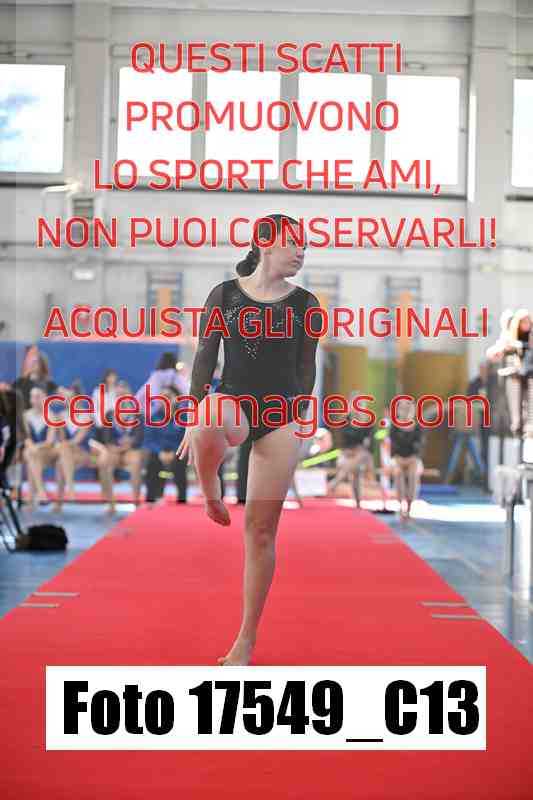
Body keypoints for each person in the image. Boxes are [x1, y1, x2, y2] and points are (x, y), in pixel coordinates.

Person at [176, 213, 321, 666]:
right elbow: (204, 358)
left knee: (260, 532)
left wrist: (299, 416)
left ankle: (246, 639)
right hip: (235, 401)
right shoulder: (225, 295)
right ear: (265, 243)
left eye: (305, 246)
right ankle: (210, 490)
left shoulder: (306, 304)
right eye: (294, 243)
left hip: (280, 414)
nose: (301, 252)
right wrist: (192, 413)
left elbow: (306, 368)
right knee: (205, 419)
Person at [143, 385, 188, 504]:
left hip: (177, 451)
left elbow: (186, 438)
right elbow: (149, 440)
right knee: (152, 463)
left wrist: (174, 452)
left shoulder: (183, 416)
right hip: (158, 451)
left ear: (176, 398)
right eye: (162, 397)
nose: (165, 399)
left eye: (168, 396)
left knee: (181, 461)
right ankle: (150, 499)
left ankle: (182, 499)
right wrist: (160, 452)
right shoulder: (153, 417)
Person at [389, 397, 425, 521]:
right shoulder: (394, 426)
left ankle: (409, 506)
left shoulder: (418, 427)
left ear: (413, 411)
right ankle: (400, 506)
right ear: (399, 411)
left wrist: (411, 459)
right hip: (398, 459)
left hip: (413, 459)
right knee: (398, 473)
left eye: (409, 409)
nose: (406, 411)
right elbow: (393, 448)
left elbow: (419, 448)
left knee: (413, 473)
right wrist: (398, 459)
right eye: (403, 409)